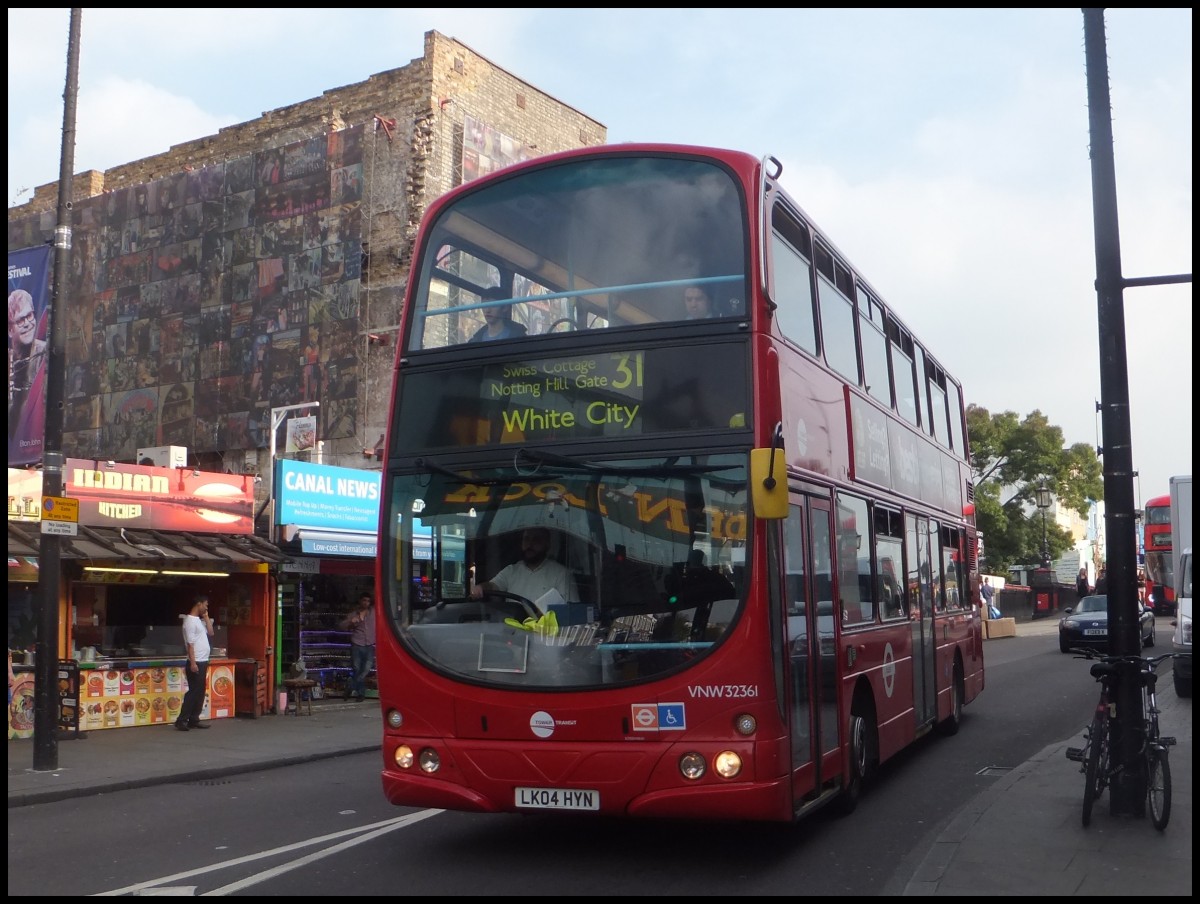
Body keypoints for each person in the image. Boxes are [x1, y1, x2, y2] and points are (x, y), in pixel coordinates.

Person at [471, 526, 579, 605]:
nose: (530, 544)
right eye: (526, 539)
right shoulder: (511, 571)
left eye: (536, 540)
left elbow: (572, 611)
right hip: (512, 632)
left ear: (547, 544)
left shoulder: (561, 574)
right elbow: (492, 586)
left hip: (546, 634)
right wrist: (481, 587)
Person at [8, 289, 47, 450]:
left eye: (29, 316)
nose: (27, 323)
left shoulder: (44, 354)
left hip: (33, 449)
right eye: (20, 320)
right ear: (10, 330)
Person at [176, 595, 215, 731]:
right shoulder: (190, 622)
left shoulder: (198, 620)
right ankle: (182, 719)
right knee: (194, 691)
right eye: (205, 604)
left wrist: (206, 617)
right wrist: (193, 663)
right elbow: (190, 644)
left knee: (200, 691)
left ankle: (194, 718)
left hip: (203, 660)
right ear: (199, 604)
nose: (206, 607)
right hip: (196, 661)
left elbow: (211, 632)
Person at [340, 592, 376, 702]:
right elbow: (343, 626)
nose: (366, 603)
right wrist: (352, 622)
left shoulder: (373, 612)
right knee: (356, 668)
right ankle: (361, 694)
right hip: (357, 644)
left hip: (369, 644)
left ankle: (350, 686)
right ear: (360, 601)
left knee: (366, 669)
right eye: (364, 600)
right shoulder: (353, 614)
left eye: (368, 601)